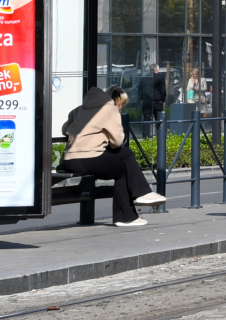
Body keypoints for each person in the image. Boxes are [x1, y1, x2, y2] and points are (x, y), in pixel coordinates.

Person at [61, 86, 166, 226]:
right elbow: (117, 142)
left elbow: (64, 129)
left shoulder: (79, 109)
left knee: (127, 155)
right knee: (122, 170)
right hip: (89, 157)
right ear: (117, 100)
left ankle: (142, 195)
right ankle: (126, 216)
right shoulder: (110, 109)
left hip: (69, 159)